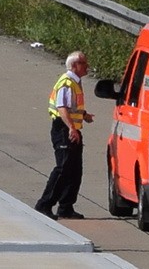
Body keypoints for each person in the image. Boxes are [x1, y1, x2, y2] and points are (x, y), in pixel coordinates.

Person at [35, 51, 93, 220]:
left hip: (71, 128)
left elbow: (72, 107)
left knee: (75, 170)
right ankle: (44, 204)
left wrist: (84, 115)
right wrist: (71, 129)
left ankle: (66, 206)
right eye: (83, 63)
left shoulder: (75, 82)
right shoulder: (67, 83)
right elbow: (62, 108)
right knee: (63, 168)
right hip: (63, 129)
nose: (87, 66)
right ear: (74, 66)